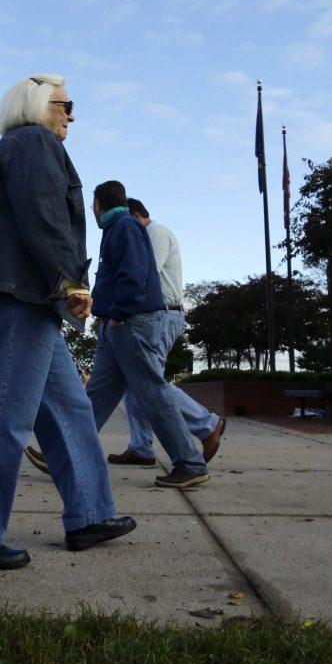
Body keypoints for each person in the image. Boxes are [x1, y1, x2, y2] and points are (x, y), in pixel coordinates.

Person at [0, 74, 137, 571]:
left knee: (70, 409)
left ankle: (90, 515)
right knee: (4, 411)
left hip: (16, 291)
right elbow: (44, 214)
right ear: (37, 105)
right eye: (65, 104)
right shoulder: (34, 143)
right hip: (21, 293)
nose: (71, 115)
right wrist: (71, 280)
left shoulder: (4, 152)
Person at [82, 180, 210, 488]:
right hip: (120, 324)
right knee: (97, 394)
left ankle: (190, 463)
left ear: (98, 205)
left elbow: (135, 274)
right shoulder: (121, 228)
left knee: (152, 391)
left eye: (93, 207)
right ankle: (65, 451)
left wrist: (118, 314)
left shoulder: (124, 227)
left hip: (130, 323)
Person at [106, 199, 225, 466]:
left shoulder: (155, 233)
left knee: (149, 381)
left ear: (136, 215)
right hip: (152, 314)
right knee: (136, 383)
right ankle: (141, 447)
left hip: (161, 314)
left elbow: (144, 273)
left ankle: (207, 424)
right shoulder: (147, 233)